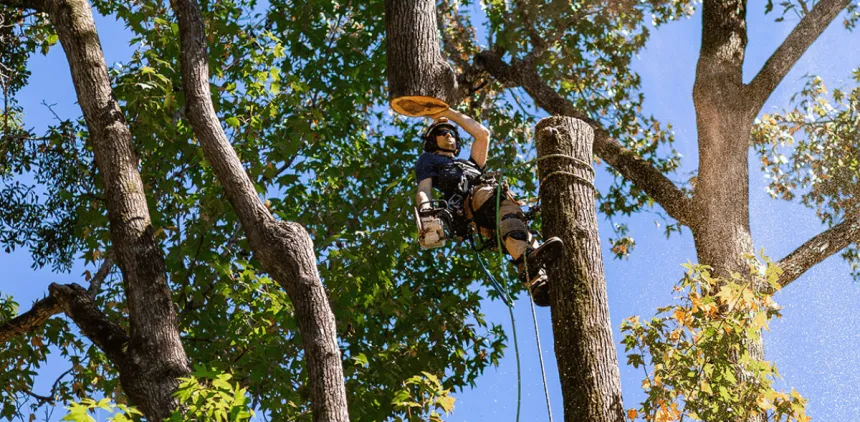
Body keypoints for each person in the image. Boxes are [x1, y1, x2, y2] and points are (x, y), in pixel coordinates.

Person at [414, 109, 562, 306]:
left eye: (451, 132)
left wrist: (449, 112)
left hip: (484, 211)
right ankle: (529, 261)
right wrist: (426, 212)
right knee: (504, 206)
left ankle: (538, 282)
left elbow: (482, 134)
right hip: (476, 200)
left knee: (514, 226)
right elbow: (424, 189)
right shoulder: (429, 159)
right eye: (442, 132)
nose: (448, 134)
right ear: (433, 140)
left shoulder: (471, 164)